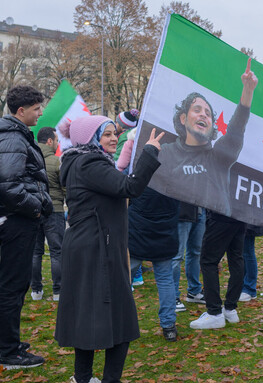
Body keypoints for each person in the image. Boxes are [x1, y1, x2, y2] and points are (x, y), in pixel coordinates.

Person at [54, 115, 163, 383]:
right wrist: (148, 153)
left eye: (115, 133)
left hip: (92, 247)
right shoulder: (89, 162)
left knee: (88, 319)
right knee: (120, 321)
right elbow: (131, 187)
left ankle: (83, 378)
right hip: (95, 250)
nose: (115, 138)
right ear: (91, 139)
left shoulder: (81, 161)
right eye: (107, 134)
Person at [0, 85, 53, 370]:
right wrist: (37, 206)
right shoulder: (11, 137)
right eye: (36, 108)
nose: (41, 112)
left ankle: (4, 342)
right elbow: (9, 185)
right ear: (21, 111)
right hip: (17, 219)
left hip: (13, 218)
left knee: (14, 284)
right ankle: (8, 351)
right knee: (12, 285)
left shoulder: (11, 134)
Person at [189, 58, 258, 330]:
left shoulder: (220, 151)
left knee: (208, 260)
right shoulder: (200, 151)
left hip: (222, 213)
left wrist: (248, 91)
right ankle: (229, 308)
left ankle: (215, 311)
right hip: (236, 212)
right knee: (236, 258)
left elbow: (238, 124)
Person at [149, 59, 256, 217]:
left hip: (214, 229)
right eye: (197, 110)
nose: (203, 115)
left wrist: (248, 91)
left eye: (208, 113)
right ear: (183, 119)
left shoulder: (219, 156)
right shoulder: (165, 153)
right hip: (177, 224)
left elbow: (236, 128)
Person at [127, 187, 180, 341]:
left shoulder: (141, 175)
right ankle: (169, 326)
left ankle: (120, 322)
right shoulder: (173, 179)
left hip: (139, 233)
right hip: (162, 232)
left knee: (125, 279)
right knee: (165, 279)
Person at [31, 127, 65, 302]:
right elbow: (64, 186)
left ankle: (36, 290)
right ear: (50, 141)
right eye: (57, 140)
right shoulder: (57, 162)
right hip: (55, 209)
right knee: (56, 251)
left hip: (33, 210)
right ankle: (58, 291)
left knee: (35, 252)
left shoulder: (28, 159)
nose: (58, 143)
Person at [174, 202, 206, 308]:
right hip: (182, 211)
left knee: (196, 252)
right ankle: (172, 297)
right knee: (177, 255)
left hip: (200, 210)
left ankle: (194, 291)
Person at [240, 225, 263, 302]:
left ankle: (249, 289)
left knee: (248, 253)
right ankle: (244, 286)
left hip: (249, 224)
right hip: (242, 223)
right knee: (243, 253)